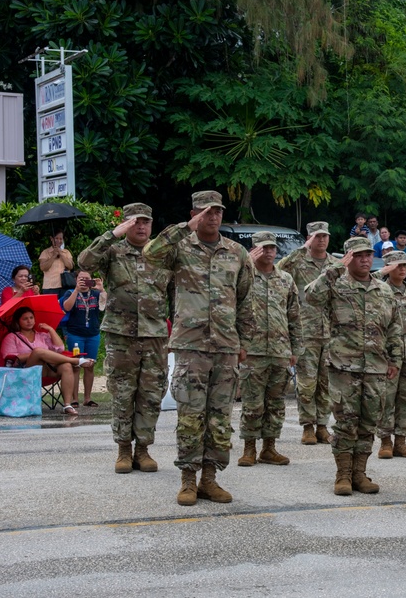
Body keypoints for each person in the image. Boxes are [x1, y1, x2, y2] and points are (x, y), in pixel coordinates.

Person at [143, 191, 254, 506]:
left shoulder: (237, 253)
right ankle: (188, 481)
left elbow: (246, 301)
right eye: (206, 212)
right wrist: (183, 227)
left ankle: (210, 479)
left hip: (225, 347)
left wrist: (244, 342)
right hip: (191, 346)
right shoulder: (180, 248)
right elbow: (151, 253)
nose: (213, 217)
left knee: (219, 417)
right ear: (194, 214)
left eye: (217, 211)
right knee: (190, 415)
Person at [78, 202, 172, 474]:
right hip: (121, 335)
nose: (141, 227)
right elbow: (85, 262)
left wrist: (177, 327)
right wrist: (113, 234)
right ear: (126, 224)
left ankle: (143, 449)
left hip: (155, 335)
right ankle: (123, 449)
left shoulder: (163, 254)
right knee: (122, 392)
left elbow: (176, 290)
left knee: (151, 393)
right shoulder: (113, 250)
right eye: (135, 222)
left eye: (145, 222)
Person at [305, 236, 402, 496]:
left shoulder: (383, 290)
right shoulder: (336, 285)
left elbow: (394, 328)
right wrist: (334, 269)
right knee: (346, 422)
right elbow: (311, 297)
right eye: (358, 255)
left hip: (375, 367)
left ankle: (360, 473)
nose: (365, 259)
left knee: (369, 422)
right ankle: (343, 475)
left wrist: (395, 359)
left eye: (368, 254)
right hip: (343, 367)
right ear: (348, 258)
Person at [236, 231, 301, 468]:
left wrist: (295, 348)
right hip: (252, 350)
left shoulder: (285, 279)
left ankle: (269, 448)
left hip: (280, 350)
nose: (269, 252)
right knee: (253, 402)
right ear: (255, 250)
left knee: (276, 403)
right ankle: (249, 448)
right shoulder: (243, 277)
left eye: (272, 248)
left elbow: (294, 316)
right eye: (264, 248)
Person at [278, 221, 340, 446]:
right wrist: (302, 249)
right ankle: (307, 426)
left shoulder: (335, 263)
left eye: (324, 236)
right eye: (316, 236)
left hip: (331, 332)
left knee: (326, 383)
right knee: (306, 382)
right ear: (309, 238)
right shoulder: (298, 261)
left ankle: (323, 425)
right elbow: (278, 272)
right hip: (306, 330)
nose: (321, 240)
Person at [374, 250, 406, 460]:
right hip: (388, 353)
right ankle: (385, 441)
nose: (402, 269)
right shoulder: (379, 289)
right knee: (386, 398)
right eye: (398, 266)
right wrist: (382, 271)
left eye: (405, 266)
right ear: (388, 268)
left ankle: (401, 441)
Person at [1, 307, 93, 416]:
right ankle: (76, 361)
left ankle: (67, 405)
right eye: (25, 319)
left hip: (47, 370)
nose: (29, 321)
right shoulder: (12, 337)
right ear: (18, 321)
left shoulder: (41, 335)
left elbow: (60, 348)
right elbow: (11, 358)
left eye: (31, 318)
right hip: (26, 373)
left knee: (66, 366)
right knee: (38, 351)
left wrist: (51, 330)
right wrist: (35, 354)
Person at [60, 270, 106, 407]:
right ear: (76, 279)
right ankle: (74, 398)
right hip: (75, 334)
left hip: (93, 334)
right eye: (81, 279)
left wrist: (102, 290)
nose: (84, 281)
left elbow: (105, 307)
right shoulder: (70, 292)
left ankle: (87, 397)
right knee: (76, 365)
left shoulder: (96, 294)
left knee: (90, 365)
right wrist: (76, 290)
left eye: (87, 279)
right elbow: (66, 307)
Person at [39, 231, 74, 295]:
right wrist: (53, 256)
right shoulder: (45, 252)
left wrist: (61, 253)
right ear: (51, 239)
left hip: (65, 285)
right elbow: (43, 267)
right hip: (50, 287)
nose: (59, 241)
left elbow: (70, 266)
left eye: (61, 239)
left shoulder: (66, 252)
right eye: (56, 238)